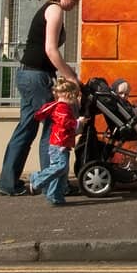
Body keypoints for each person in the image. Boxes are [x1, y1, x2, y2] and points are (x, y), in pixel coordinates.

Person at [0, 0, 85, 197]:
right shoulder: (55, 10)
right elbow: (51, 50)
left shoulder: (49, 9)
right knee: (52, 127)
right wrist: (71, 77)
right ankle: (53, 184)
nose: (76, 5)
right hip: (37, 77)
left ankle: (8, 183)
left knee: (26, 128)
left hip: (27, 74)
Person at [28, 77, 82, 206]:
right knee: (60, 167)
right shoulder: (62, 108)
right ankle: (37, 178)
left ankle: (55, 196)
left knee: (61, 172)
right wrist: (78, 122)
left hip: (60, 142)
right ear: (70, 95)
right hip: (59, 143)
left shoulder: (60, 106)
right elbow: (65, 122)